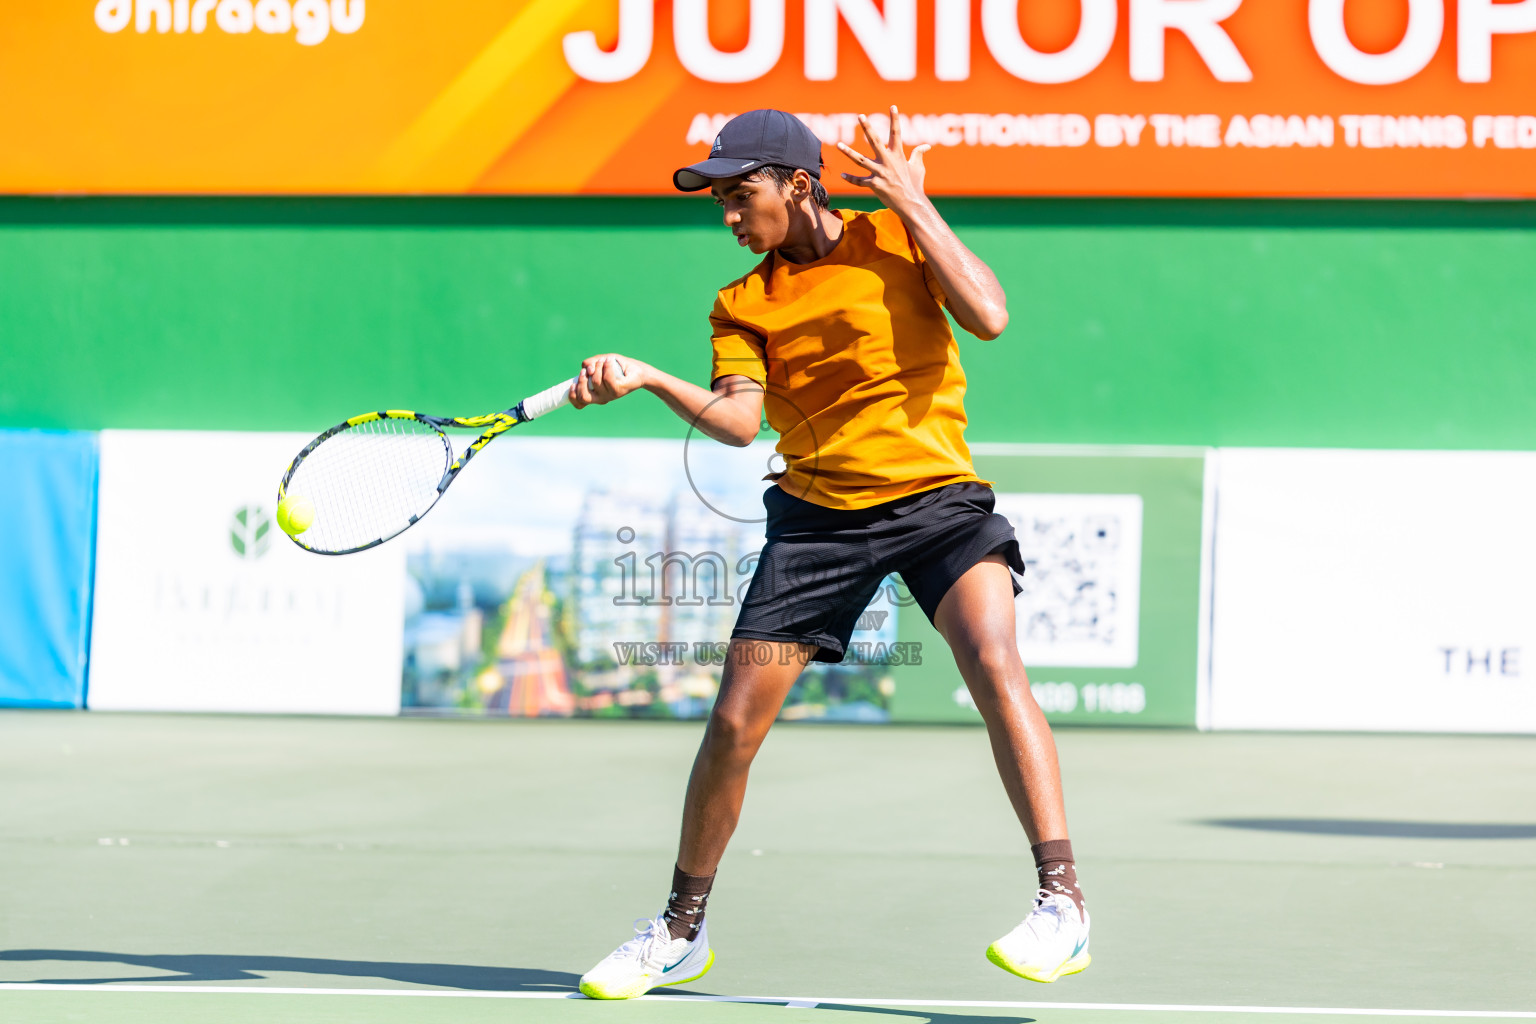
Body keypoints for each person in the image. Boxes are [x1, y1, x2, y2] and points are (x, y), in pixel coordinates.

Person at [567, 107, 1089, 999]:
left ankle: (1062, 906)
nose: (730, 217)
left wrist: (917, 204)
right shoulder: (742, 302)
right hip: (817, 524)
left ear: (797, 185)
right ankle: (679, 931)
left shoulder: (896, 238)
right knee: (732, 725)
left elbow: (990, 316)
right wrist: (651, 378)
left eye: (742, 195)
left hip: (937, 505)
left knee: (995, 663)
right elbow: (738, 423)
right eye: (721, 202)